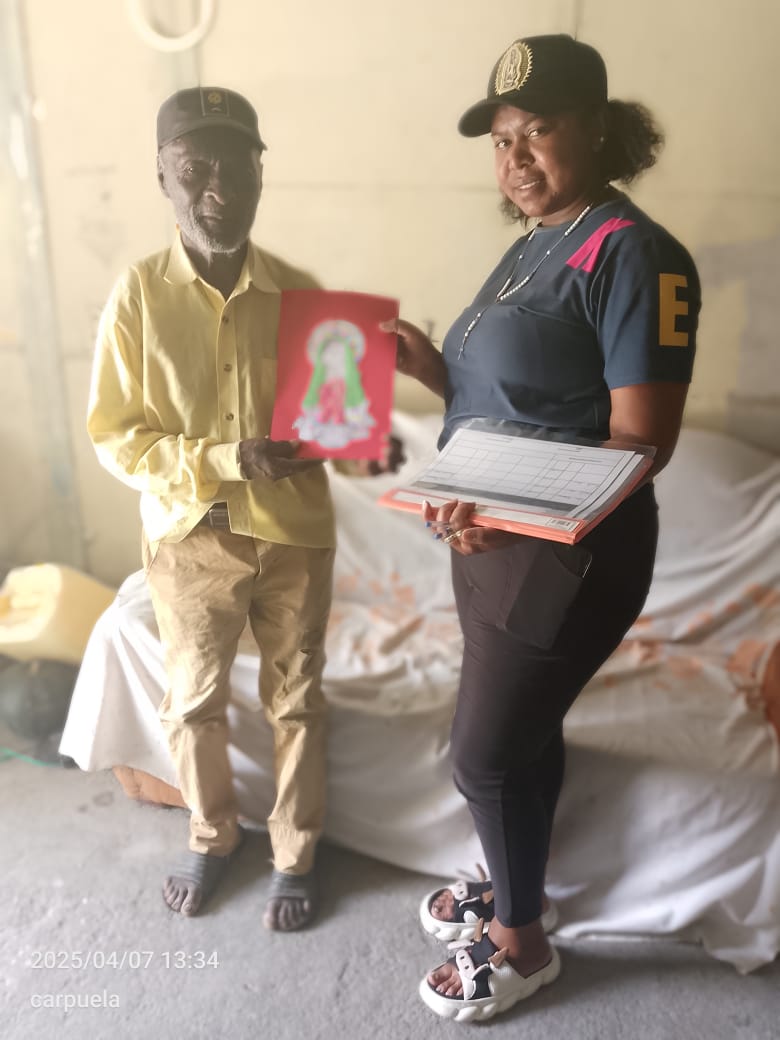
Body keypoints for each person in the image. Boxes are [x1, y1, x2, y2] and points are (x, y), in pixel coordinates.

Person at [383, 34, 700, 1021]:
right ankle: (515, 880)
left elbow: (639, 441)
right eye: (501, 139)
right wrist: (432, 369)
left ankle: (521, 943)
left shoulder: (635, 253)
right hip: (488, 538)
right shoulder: (533, 245)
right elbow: (514, 401)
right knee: (522, 734)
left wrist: (507, 512)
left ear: (597, 129)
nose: (516, 157)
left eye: (539, 130)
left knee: (481, 755)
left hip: (567, 552)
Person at [87, 86, 397, 931]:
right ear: (162, 176)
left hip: (294, 537)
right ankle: (212, 834)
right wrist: (227, 460)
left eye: (236, 165)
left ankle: (295, 854)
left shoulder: (304, 295)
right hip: (193, 539)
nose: (217, 188)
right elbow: (116, 438)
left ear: (263, 172)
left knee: (297, 702)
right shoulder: (138, 296)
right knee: (193, 705)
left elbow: (334, 429)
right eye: (195, 169)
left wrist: (368, 445)